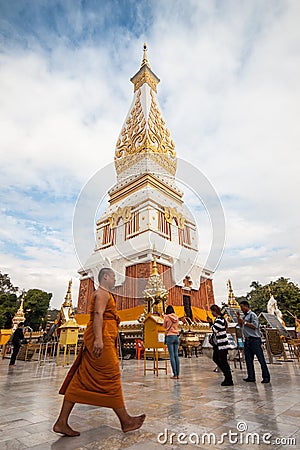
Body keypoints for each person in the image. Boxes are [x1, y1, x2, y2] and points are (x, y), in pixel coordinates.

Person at [53, 268, 145, 437]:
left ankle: (61, 422)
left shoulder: (104, 294)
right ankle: (125, 420)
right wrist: (98, 339)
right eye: (114, 277)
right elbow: (98, 314)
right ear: (105, 277)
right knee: (111, 375)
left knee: (82, 378)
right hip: (101, 339)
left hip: (104, 336)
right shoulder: (102, 293)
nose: (115, 280)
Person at [237, 300, 270, 384]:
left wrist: (244, 322)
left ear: (246, 306)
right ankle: (251, 376)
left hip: (255, 340)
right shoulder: (244, 316)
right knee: (248, 360)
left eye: (242, 307)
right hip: (247, 340)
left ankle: (266, 377)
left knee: (261, 359)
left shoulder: (252, 315)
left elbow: (255, 326)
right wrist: (239, 319)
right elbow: (241, 326)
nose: (241, 309)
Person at [207, 305, 233, 386]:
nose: (211, 313)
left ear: (215, 311)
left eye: (212, 311)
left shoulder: (219, 320)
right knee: (217, 359)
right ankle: (227, 376)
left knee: (222, 361)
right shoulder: (219, 319)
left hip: (221, 344)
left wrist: (210, 322)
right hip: (219, 344)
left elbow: (214, 329)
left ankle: (228, 378)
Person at [163, 305, 180, 379]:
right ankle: (178, 374)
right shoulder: (177, 317)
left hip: (170, 336)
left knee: (172, 356)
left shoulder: (167, 317)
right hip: (176, 336)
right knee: (176, 355)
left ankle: (175, 374)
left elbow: (164, 326)